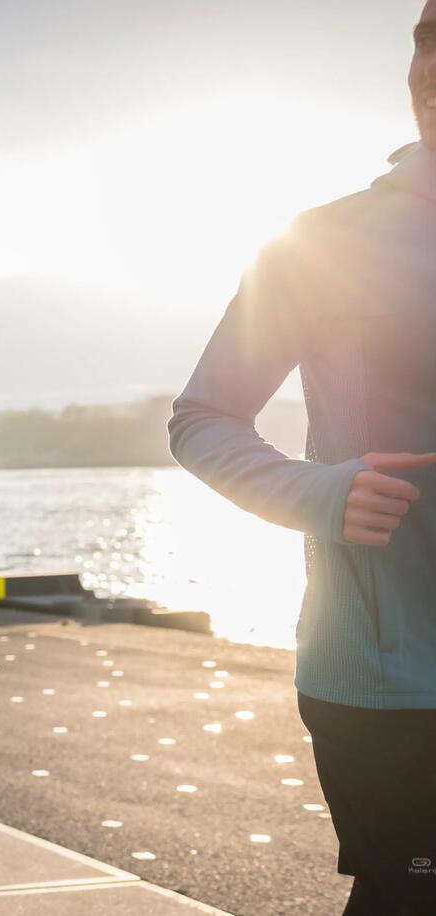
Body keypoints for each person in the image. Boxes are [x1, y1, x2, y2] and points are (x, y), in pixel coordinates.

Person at [170, 5, 436, 911]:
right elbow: (203, 416)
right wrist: (318, 493)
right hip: (384, 673)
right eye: (430, 49)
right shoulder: (321, 241)